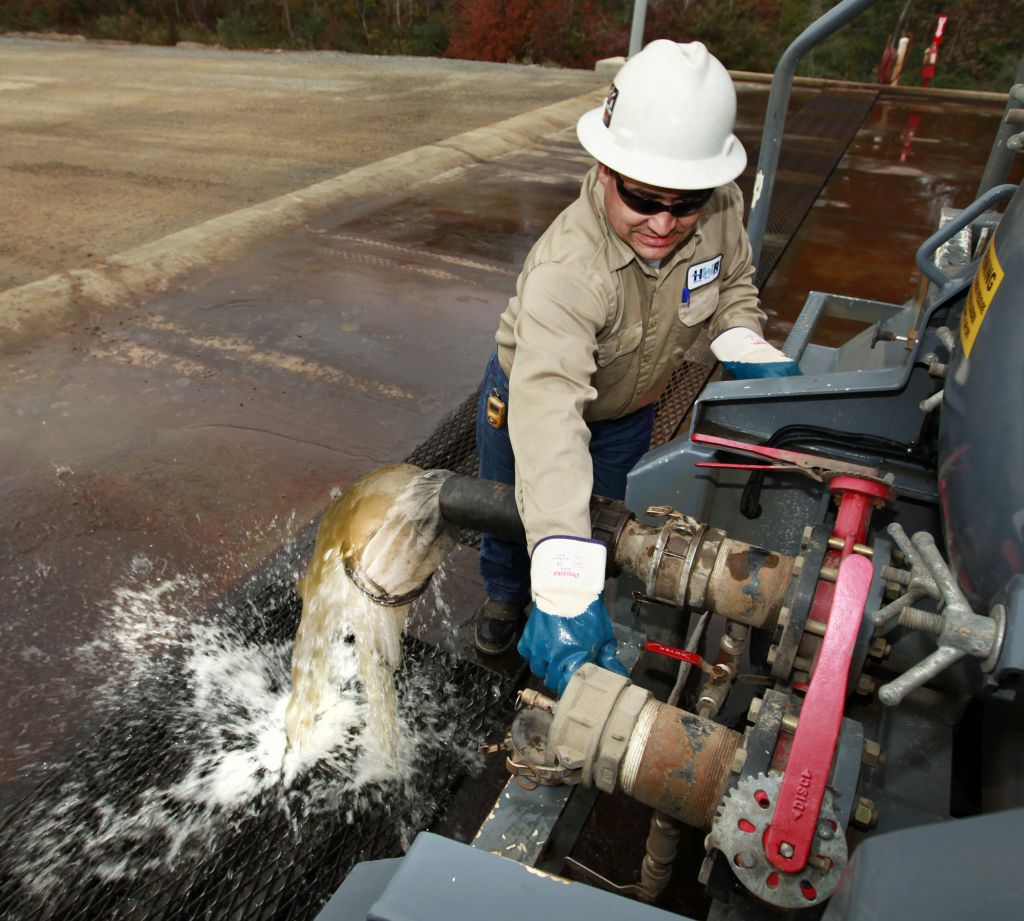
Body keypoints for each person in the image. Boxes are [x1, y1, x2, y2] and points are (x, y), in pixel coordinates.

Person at [473, 39, 800, 695]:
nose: (665, 223)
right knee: (512, 511)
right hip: (531, 402)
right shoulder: (568, 271)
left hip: (628, 410)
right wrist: (563, 587)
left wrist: (744, 340)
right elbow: (550, 423)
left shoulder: (720, 209)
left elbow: (733, 283)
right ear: (605, 169)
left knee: (600, 517)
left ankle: (571, 591)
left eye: (686, 202)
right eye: (645, 199)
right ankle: (506, 600)